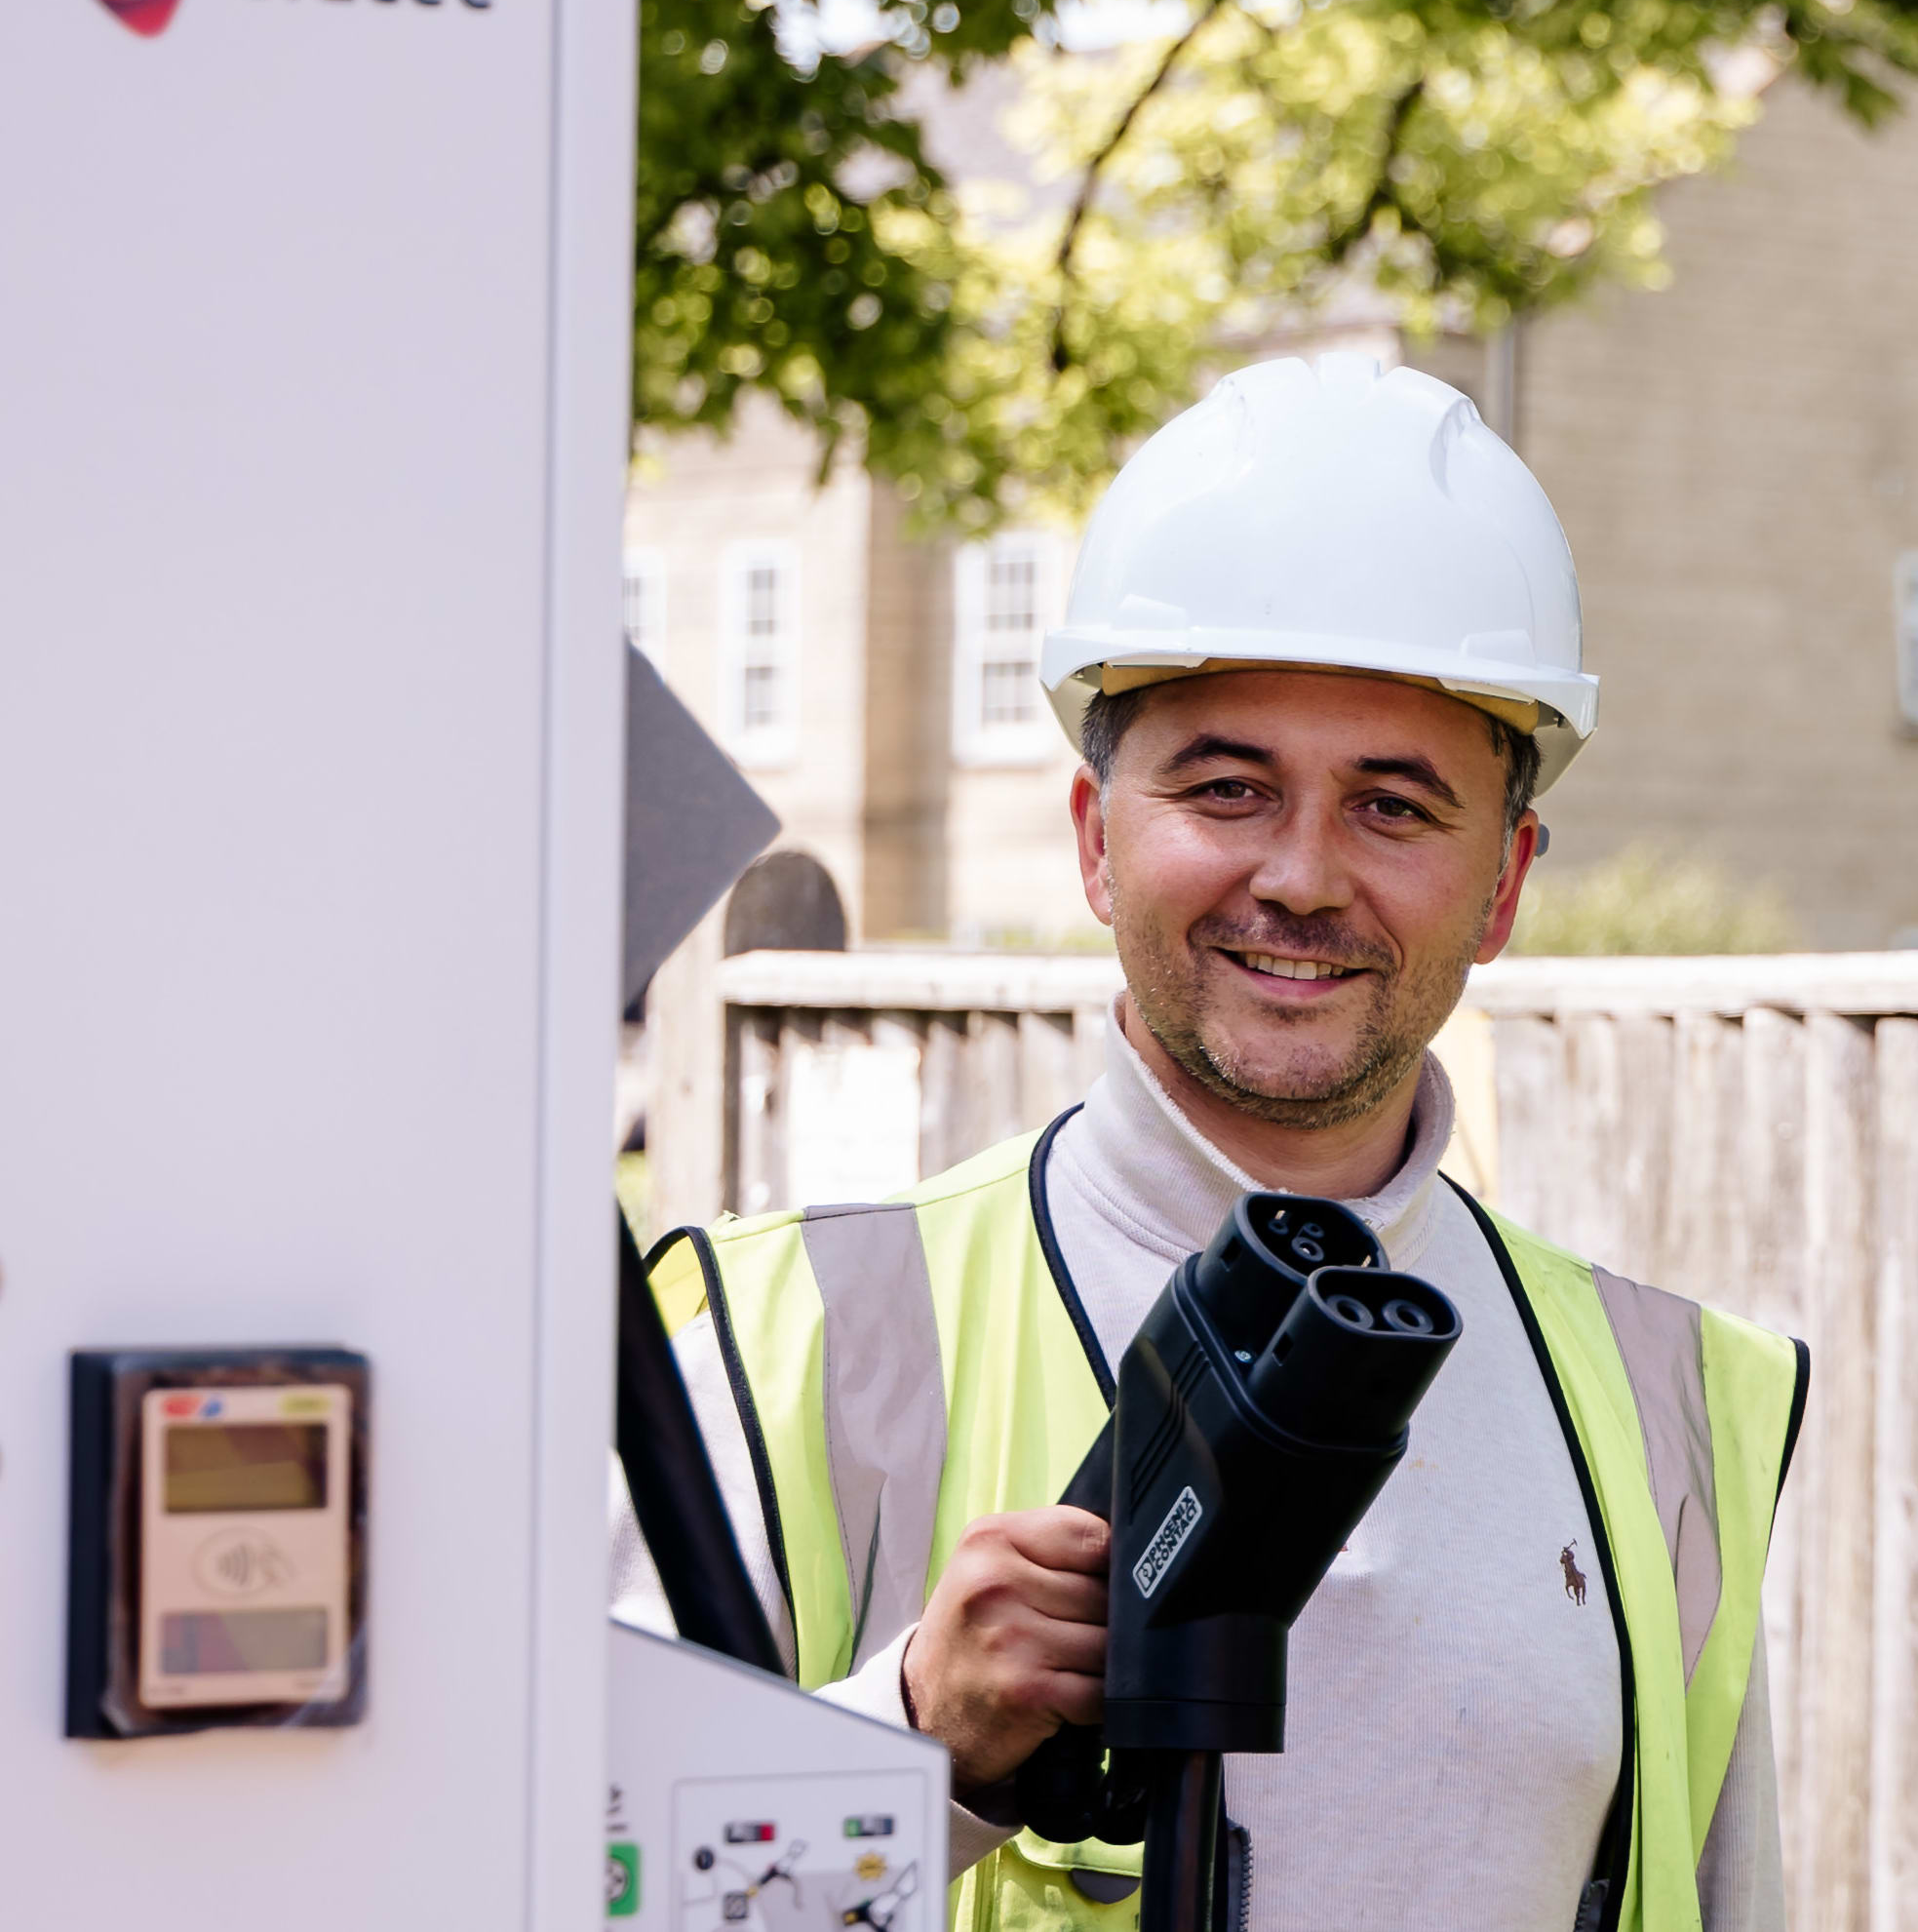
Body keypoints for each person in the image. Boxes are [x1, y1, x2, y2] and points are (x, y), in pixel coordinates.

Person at [644, 355, 1803, 1932]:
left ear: (1509, 880)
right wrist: (914, 1742)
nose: (1305, 877)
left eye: (1395, 806)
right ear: (1093, 838)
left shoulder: (1671, 1413)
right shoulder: (788, 1351)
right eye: (1228, 786)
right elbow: (541, 1876)